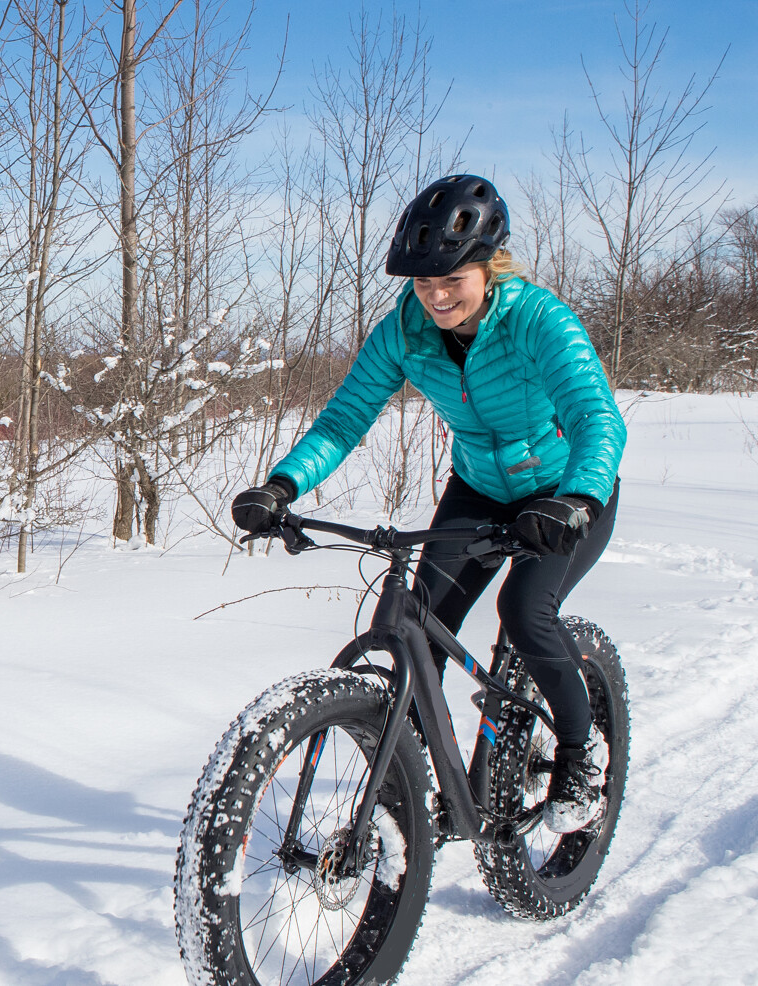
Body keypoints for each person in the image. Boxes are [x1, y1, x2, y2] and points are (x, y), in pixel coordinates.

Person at [230, 174, 626, 834]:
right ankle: (408, 793)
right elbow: (346, 416)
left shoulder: (538, 319)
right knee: (419, 626)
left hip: (566, 492)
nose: (437, 297)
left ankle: (582, 753)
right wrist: (282, 485)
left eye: (452, 281)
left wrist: (579, 496)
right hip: (480, 488)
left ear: (488, 266)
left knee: (526, 614)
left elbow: (595, 415)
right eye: (423, 284)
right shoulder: (404, 331)